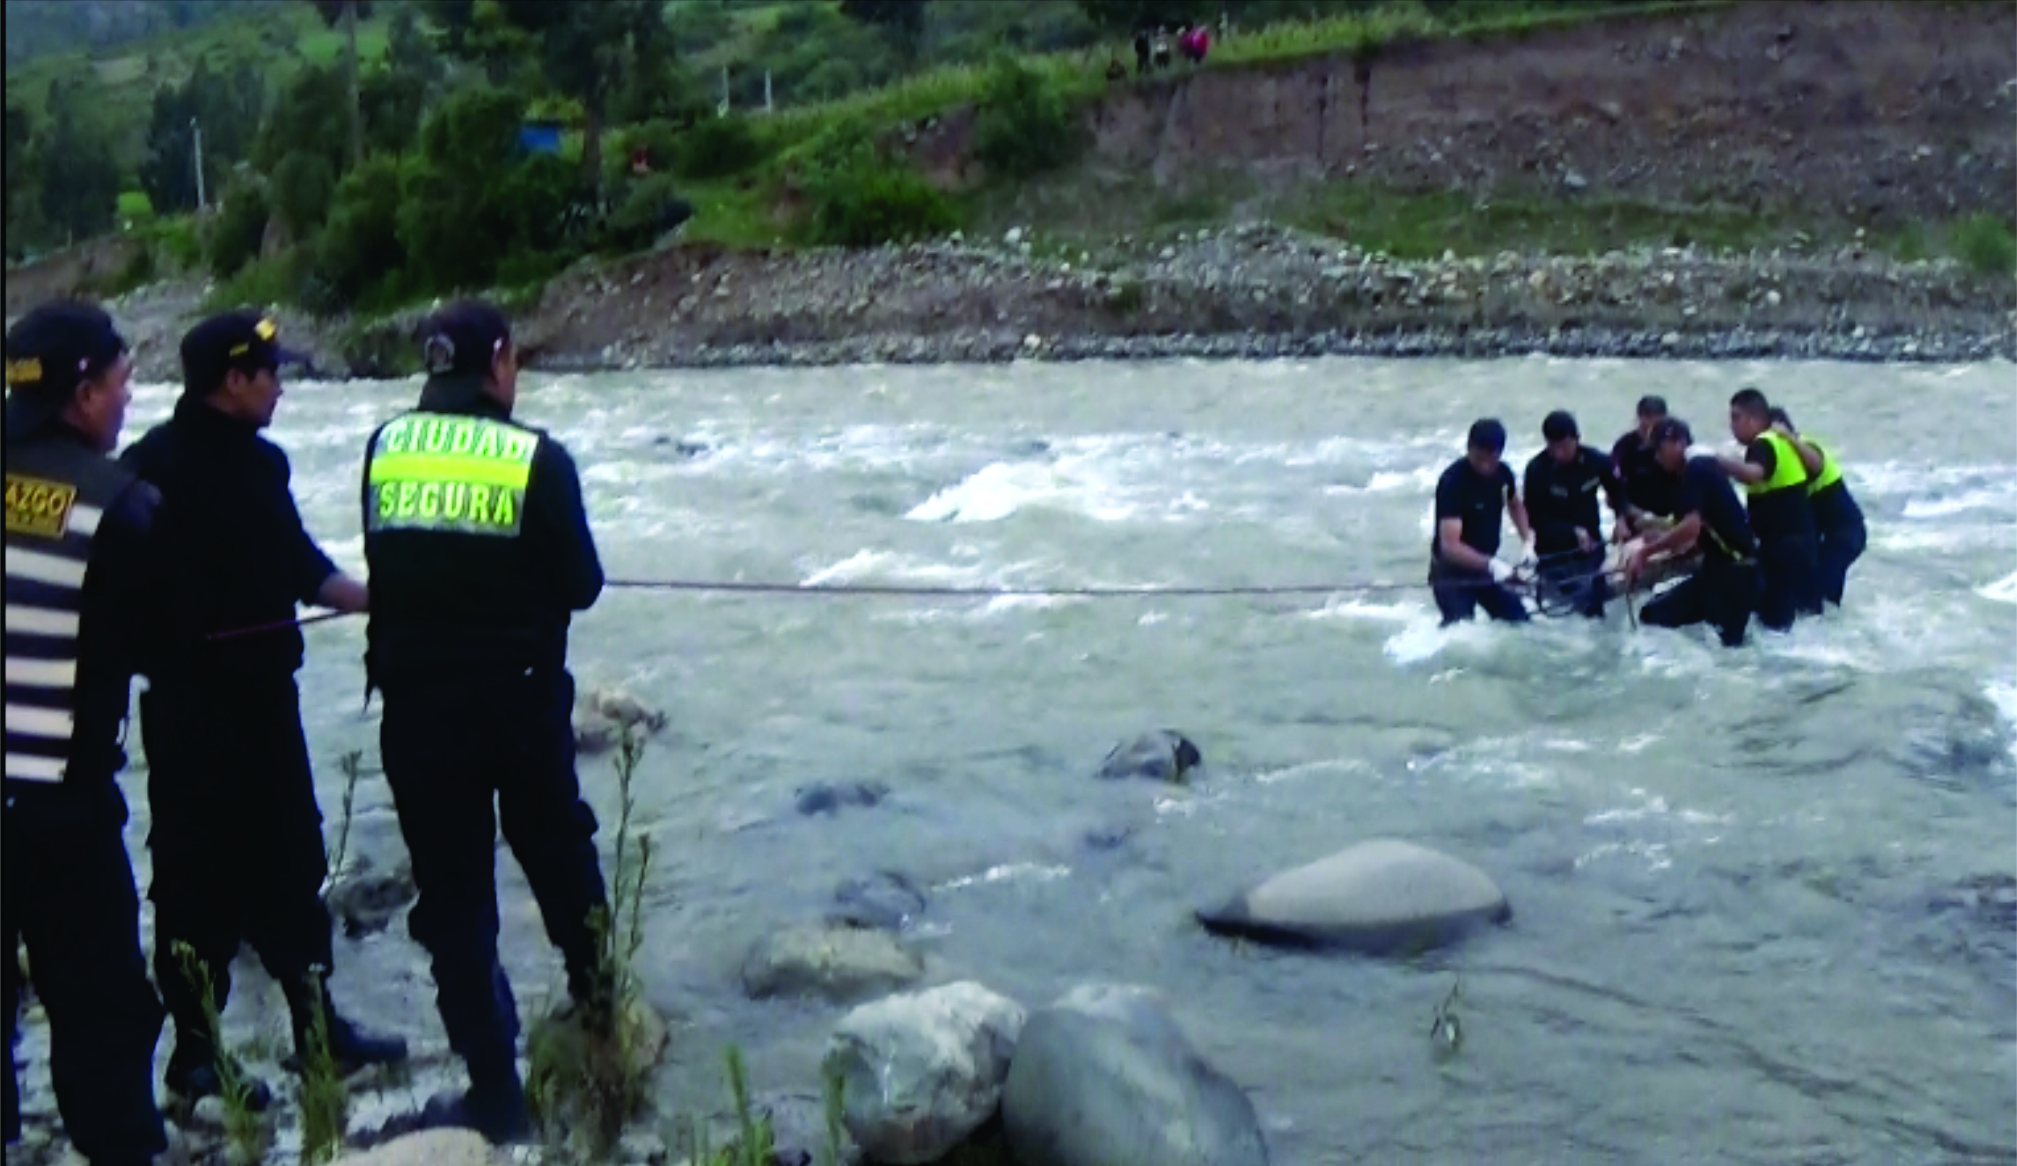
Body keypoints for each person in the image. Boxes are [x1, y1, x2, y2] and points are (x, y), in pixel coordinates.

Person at [119, 312, 406, 1111]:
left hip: (266, 702)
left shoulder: (266, 464)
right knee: (191, 881)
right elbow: (118, 593)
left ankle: (317, 1031)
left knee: (292, 862)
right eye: (270, 372)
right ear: (233, 379)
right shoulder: (148, 472)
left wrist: (375, 598)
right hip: (188, 712)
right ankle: (196, 1057)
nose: (280, 384)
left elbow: (298, 564)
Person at [360, 301, 612, 1142]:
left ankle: (495, 1092)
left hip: (418, 710)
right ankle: (597, 1000)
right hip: (517, 701)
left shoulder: (385, 447)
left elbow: (392, 564)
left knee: (455, 898)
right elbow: (581, 582)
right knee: (556, 852)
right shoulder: (536, 458)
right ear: (498, 361)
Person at [3, 302, 172, 1166]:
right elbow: (168, 646)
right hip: (56, 810)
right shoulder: (118, 503)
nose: (127, 399)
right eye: (120, 381)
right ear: (79, 394)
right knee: (104, 1011)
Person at [1629, 418, 1762, 648]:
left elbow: (1691, 528)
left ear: (1677, 444)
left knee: (1728, 650)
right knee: (1653, 615)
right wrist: (1659, 530)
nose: (1657, 459)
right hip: (1717, 571)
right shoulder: (1697, 469)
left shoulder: (1696, 468)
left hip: (1736, 575)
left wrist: (1645, 553)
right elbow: (1700, 527)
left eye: (1659, 451)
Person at [1717, 388, 1821, 629]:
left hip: (1783, 550)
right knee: (1805, 620)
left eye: (1736, 418)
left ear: (1754, 419)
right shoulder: (1782, 443)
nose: (1731, 426)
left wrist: (1716, 461)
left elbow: (1754, 474)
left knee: (1776, 624)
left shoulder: (1762, 443)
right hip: (1804, 544)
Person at [1429, 418, 1535, 626]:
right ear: (1469, 448)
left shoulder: (1503, 474)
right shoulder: (1453, 482)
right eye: (1479, 458)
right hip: (1451, 574)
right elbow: (1450, 546)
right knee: (1461, 629)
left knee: (1520, 621)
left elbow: (1515, 505)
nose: (1485, 465)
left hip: (1485, 570)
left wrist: (1528, 540)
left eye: (1491, 458)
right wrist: (1493, 565)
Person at [1522, 410, 1622, 618]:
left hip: (1592, 548)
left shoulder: (1597, 461)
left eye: (1565, 446)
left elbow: (1620, 492)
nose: (1559, 453)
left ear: (1577, 439)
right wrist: (1571, 532)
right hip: (1553, 552)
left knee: (1594, 599)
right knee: (1576, 602)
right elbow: (1535, 519)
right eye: (1554, 447)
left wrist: (1621, 519)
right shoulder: (1537, 470)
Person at [1769, 407, 1866, 608]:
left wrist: (1788, 438)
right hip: (1823, 538)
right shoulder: (1782, 465)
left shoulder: (1806, 448)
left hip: (1845, 535)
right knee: (1805, 593)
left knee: (1821, 596)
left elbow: (1817, 465)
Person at [1610, 394, 1682, 539]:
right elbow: (1612, 489)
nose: (1652, 422)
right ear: (1639, 417)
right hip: (1635, 518)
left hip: (1669, 520)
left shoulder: (1674, 445)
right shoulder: (1624, 446)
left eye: (1657, 416)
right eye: (1647, 416)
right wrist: (1623, 518)